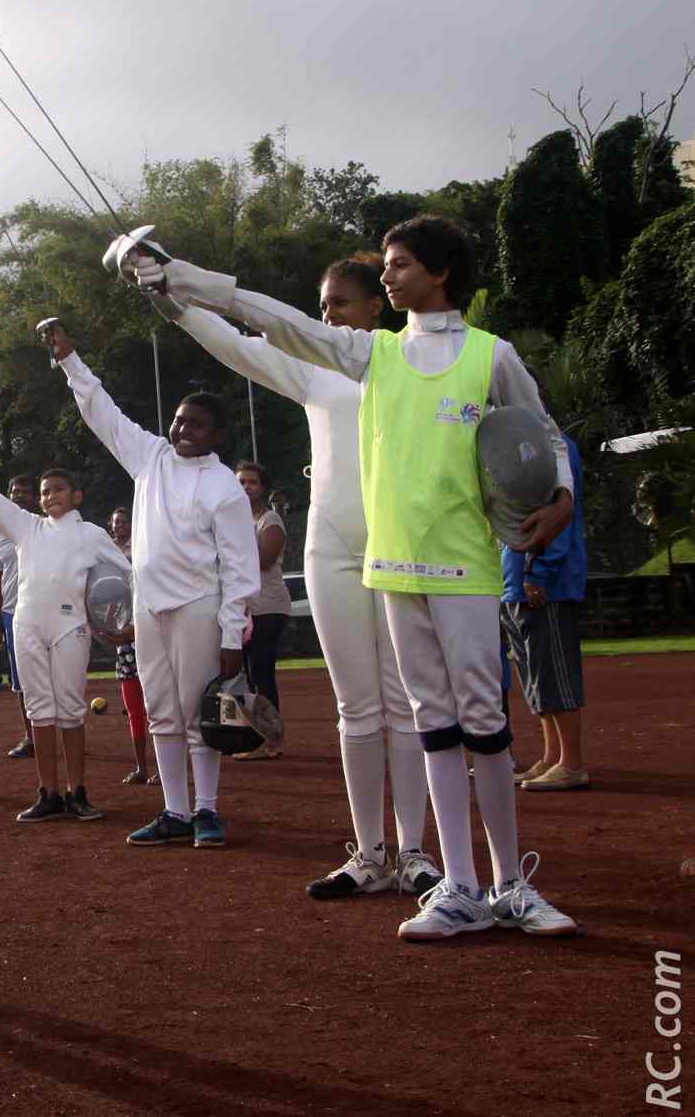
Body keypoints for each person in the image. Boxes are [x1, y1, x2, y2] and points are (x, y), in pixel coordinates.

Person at [121, 213, 579, 938]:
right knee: (378, 710)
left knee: (450, 713)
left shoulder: (468, 355)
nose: (329, 312)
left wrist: (561, 494)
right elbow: (255, 327)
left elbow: (539, 433)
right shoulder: (353, 358)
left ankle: (457, 867)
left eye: (393, 269)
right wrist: (173, 287)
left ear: (426, 279)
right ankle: (398, 863)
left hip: (449, 554)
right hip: (362, 552)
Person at [155, 250, 441, 899]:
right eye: (322, 306)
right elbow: (234, 344)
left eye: (340, 303)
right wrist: (169, 299)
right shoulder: (313, 368)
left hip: (402, 544)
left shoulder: (413, 360)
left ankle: (415, 852)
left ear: (376, 306)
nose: (327, 316)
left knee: (404, 704)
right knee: (356, 707)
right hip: (332, 549)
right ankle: (369, 854)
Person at [45, 323, 260, 850]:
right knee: (161, 710)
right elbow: (103, 414)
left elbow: (240, 567)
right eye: (180, 419)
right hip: (148, 607)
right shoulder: (151, 457)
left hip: (199, 608)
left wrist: (232, 633)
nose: (183, 429)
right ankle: (174, 811)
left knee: (199, 713)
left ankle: (207, 810)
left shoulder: (224, 487)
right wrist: (70, 360)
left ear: (217, 436)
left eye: (197, 424)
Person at [0, 466, 128, 822]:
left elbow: (126, 575)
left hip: (70, 627)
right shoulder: (26, 526)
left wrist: (126, 622)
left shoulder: (92, 535)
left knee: (71, 710)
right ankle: (49, 794)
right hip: (27, 627)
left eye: (59, 489)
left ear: (77, 496)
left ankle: (78, 793)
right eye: (45, 491)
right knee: (39, 712)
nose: (50, 496)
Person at [506, 435, 589, 792]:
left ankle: (571, 763)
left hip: (545, 585)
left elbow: (560, 515)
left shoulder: (553, 446)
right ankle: (552, 756)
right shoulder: (516, 444)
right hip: (514, 583)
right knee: (536, 678)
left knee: (554, 674)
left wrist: (538, 572)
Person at [234, 461, 289, 760]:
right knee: (248, 675)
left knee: (261, 673)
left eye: (252, 482)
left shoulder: (270, 520)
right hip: (243, 608)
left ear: (262, 488)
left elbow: (265, 561)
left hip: (267, 606)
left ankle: (271, 740)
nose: (245, 487)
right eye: (240, 482)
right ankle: (256, 737)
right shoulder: (234, 521)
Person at [0, 474, 38, 758]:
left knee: (52, 677)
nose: (19, 496)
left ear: (35, 497)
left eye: (25, 491)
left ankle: (62, 734)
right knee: (20, 682)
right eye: (15, 491)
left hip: (43, 612)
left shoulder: (43, 525)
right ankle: (31, 738)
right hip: (11, 615)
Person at [107, 506, 155, 787]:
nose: (121, 526)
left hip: (149, 633)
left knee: (158, 706)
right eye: (117, 522)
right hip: (125, 637)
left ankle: (163, 767)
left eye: (125, 522)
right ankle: (141, 767)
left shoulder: (143, 549)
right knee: (134, 707)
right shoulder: (106, 552)